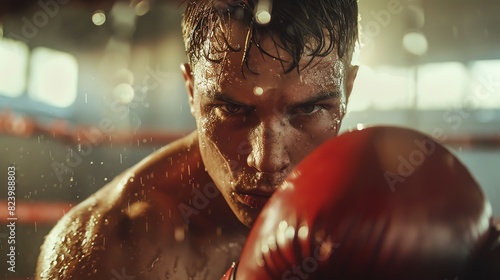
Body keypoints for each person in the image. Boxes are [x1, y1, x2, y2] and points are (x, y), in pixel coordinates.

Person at [36, 0, 359, 279]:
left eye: (309, 109)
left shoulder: (379, 192)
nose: (266, 160)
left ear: (349, 89)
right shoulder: (111, 252)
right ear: (191, 92)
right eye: (232, 109)